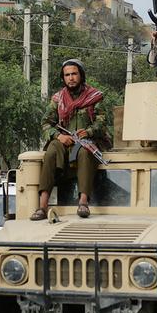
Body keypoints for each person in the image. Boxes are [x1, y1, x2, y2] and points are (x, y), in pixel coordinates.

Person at [31, 59, 106, 221]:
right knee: (51, 151)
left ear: (81, 75)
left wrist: (88, 131)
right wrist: (59, 136)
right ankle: (42, 206)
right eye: (67, 75)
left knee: (85, 153)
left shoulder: (94, 96)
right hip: (64, 141)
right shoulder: (58, 99)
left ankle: (83, 202)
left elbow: (102, 122)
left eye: (74, 74)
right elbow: (45, 122)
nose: (71, 78)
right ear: (63, 78)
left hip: (86, 141)